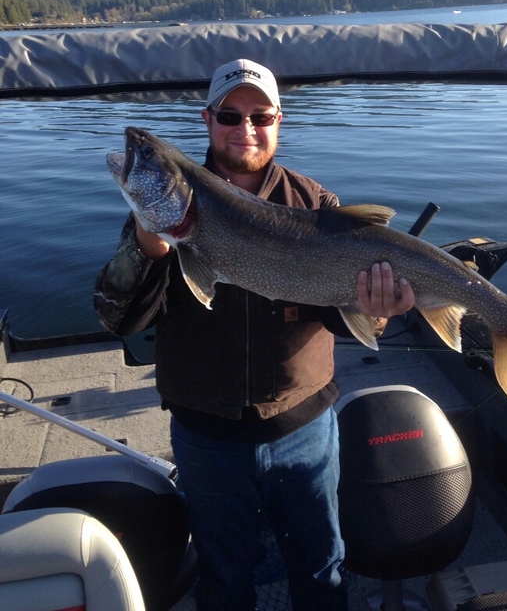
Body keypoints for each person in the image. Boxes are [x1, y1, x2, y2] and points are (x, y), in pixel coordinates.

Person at [95, 58, 415, 611]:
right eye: (230, 115)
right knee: (223, 576)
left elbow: (341, 317)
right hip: (206, 435)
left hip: (305, 426)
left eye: (260, 116)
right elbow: (117, 318)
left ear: (278, 120)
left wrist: (377, 310)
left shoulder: (317, 204)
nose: (246, 128)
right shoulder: (160, 215)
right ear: (208, 119)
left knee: (322, 569)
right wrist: (149, 248)